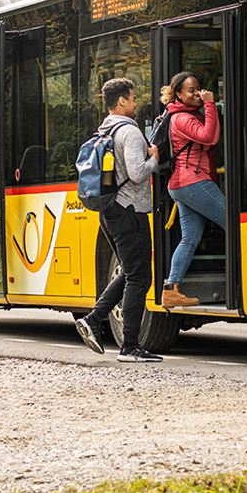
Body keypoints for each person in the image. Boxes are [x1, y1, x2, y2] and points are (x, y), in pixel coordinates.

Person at [74, 77, 162, 362]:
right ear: (121, 101)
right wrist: (155, 158)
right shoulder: (131, 133)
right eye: (133, 98)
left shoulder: (106, 130)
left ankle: (94, 319)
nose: (136, 103)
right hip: (129, 211)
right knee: (139, 276)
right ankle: (130, 346)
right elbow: (137, 172)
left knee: (128, 270)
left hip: (109, 211)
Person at [160, 71, 223, 308]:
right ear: (178, 94)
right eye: (191, 90)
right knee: (236, 226)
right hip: (193, 182)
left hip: (183, 184)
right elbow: (209, 137)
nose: (197, 93)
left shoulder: (183, 114)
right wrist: (210, 104)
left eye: (198, 88)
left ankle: (171, 289)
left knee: (189, 238)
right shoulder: (181, 118)